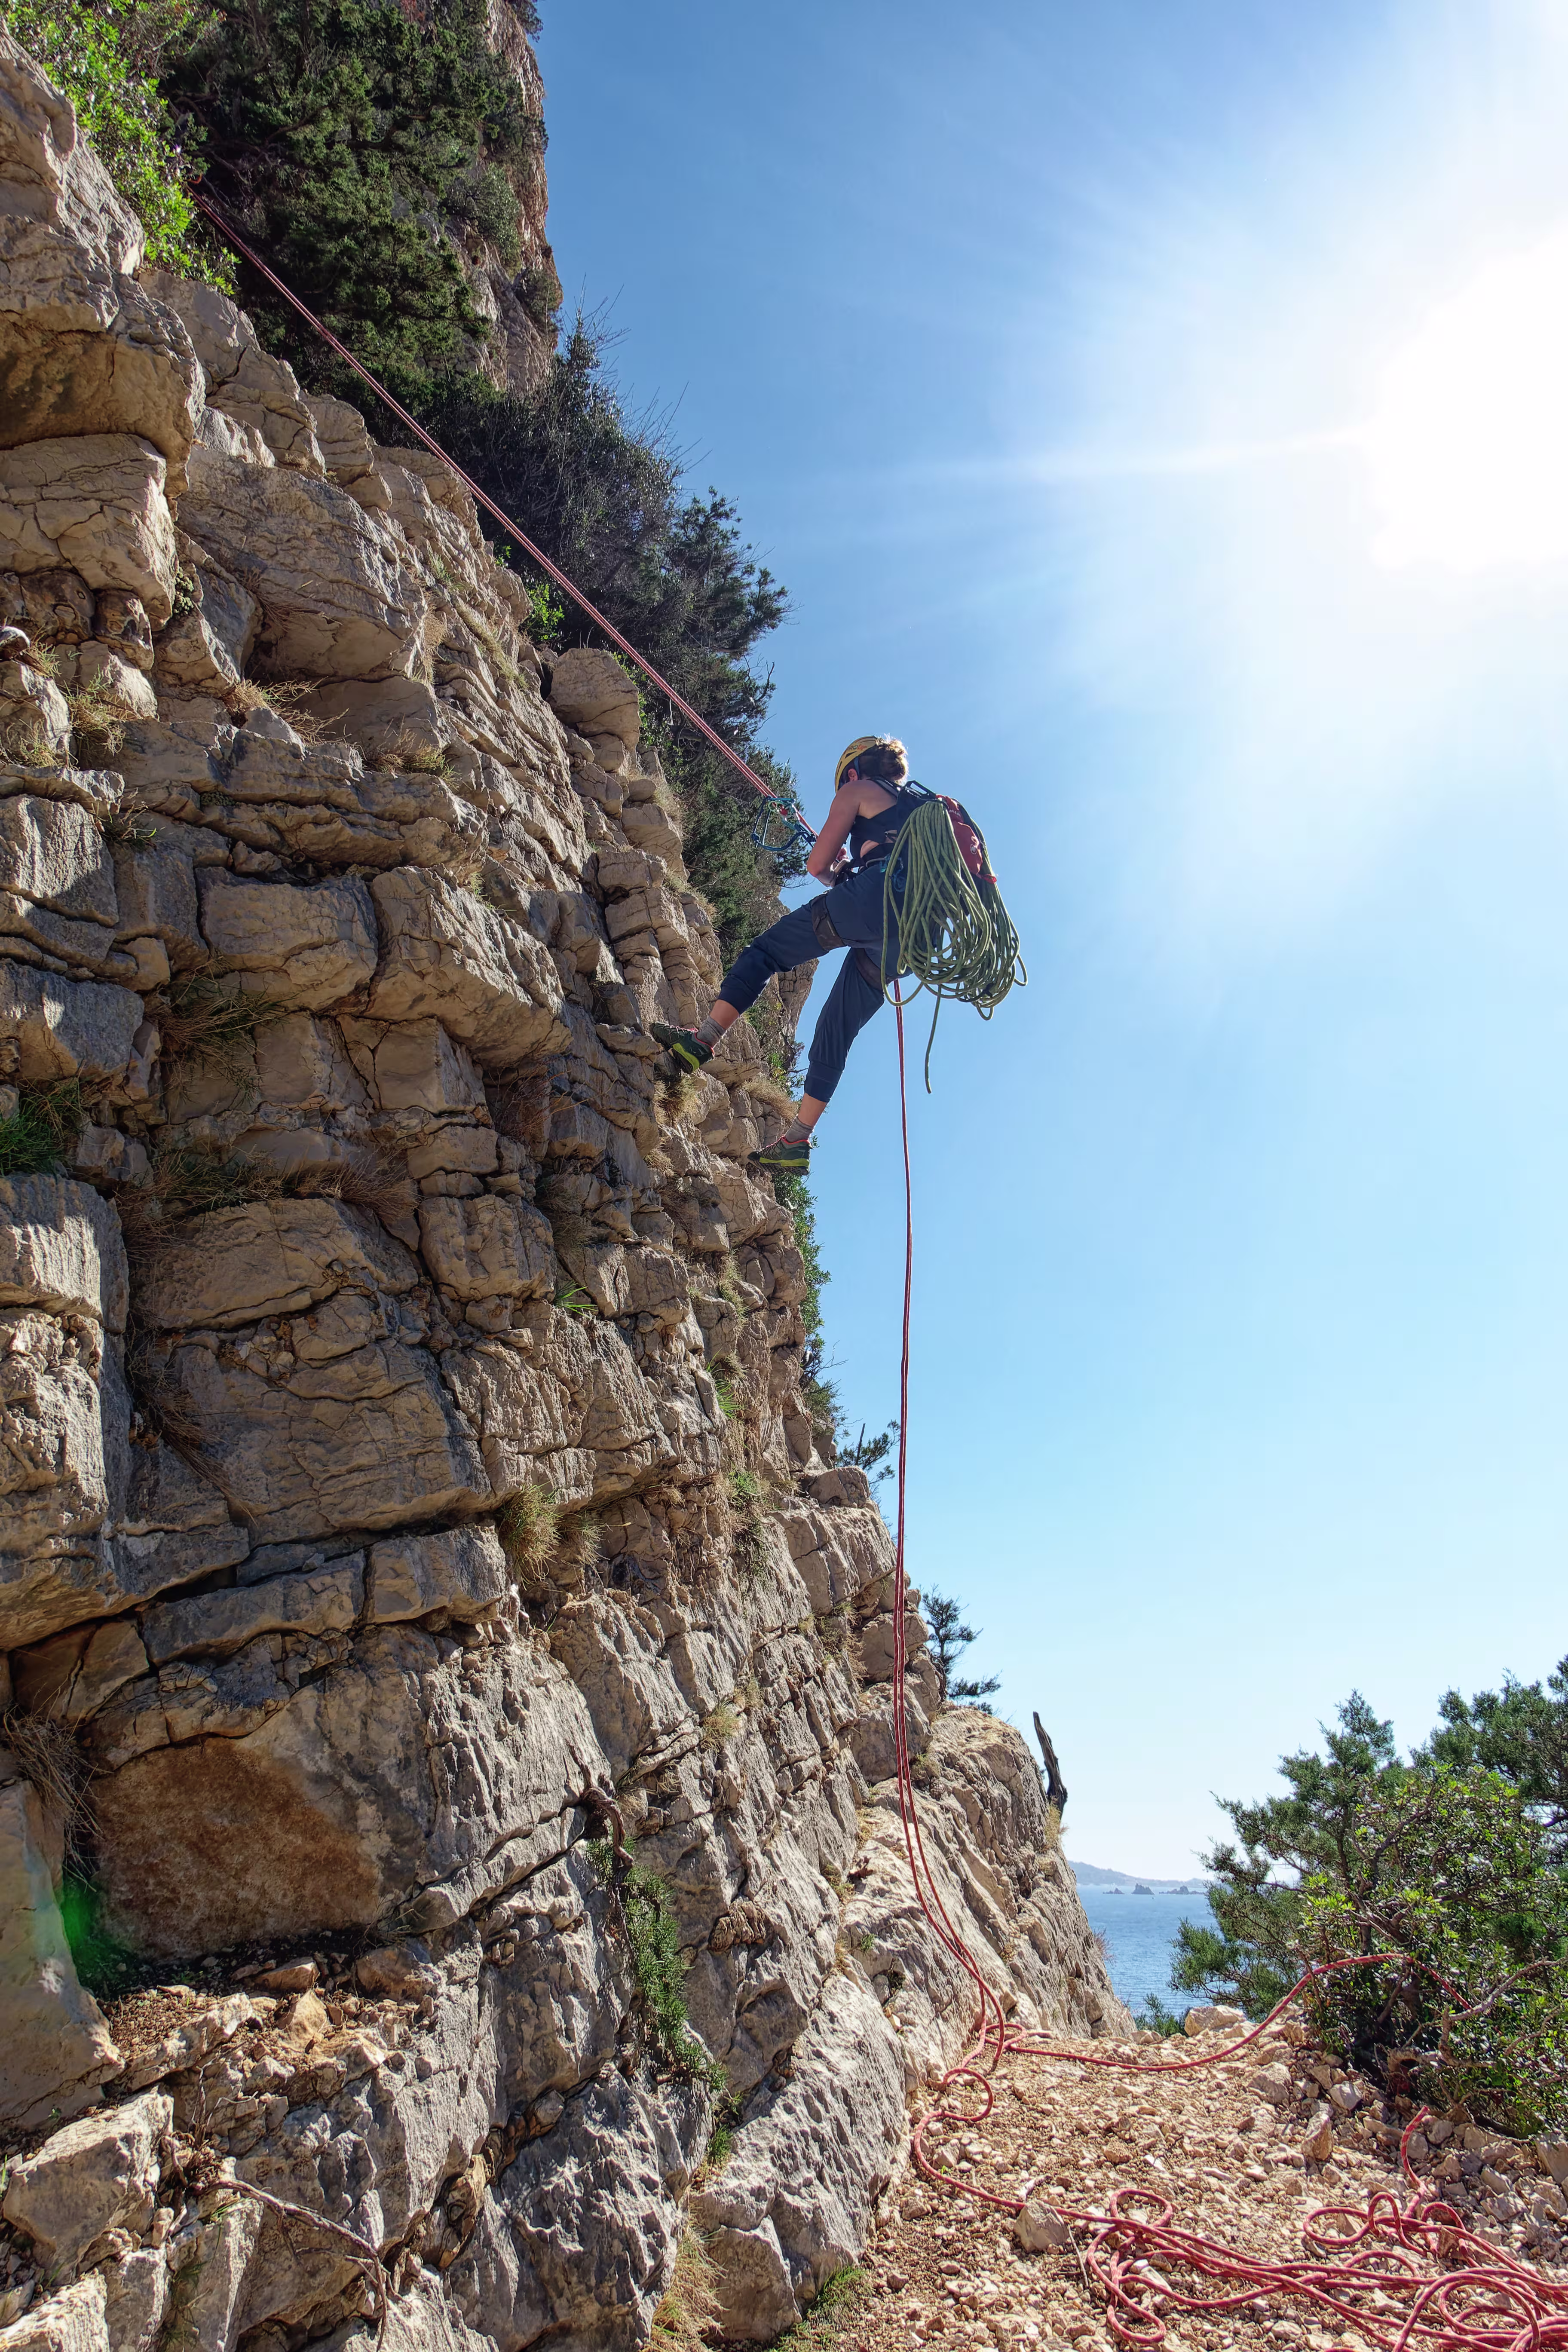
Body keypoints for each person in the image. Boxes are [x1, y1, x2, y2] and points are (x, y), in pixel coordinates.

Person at [652, 735, 922, 1173]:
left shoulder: (858, 791)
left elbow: (817, 866)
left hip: (873, 899)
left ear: (854, 772)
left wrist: (836, 876)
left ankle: (702, 1041)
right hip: (914, 936)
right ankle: (797, 1140)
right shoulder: (926, 813)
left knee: (766, 953)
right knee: (838, 1027)